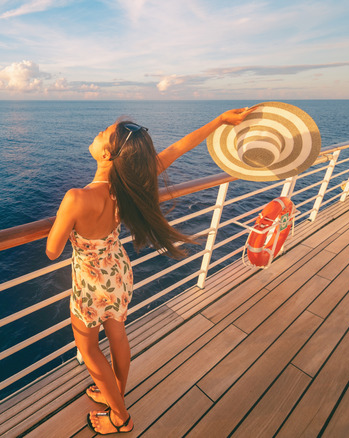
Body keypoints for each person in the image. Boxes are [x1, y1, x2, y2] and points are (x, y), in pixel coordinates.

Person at [45, 107, 255, 435]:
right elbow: (179, 148)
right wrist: (219, 121)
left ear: (106, 153)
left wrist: (62, 222)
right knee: (117, 333)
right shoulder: (131, 180)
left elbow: (52, 250)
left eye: (104, 133)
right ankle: (115, 391)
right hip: (118, 274)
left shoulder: (76, 198)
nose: (99, 132)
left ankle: (120, 417)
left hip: (90, 284)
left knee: (88, 349)